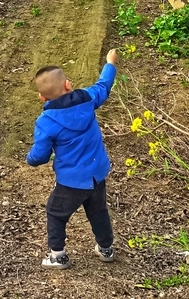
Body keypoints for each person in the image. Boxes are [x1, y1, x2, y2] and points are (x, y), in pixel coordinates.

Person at [26, 49, 119, 269]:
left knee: (56, 213)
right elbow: (103, 85)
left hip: (71, 180)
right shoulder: (87, 98)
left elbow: (39, 156)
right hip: (97, 174)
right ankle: (106, 249)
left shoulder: (46, 121)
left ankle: (58, 256)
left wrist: (29, 159)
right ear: (68, 85)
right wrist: (110, 63)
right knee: (98, 211)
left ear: (42, 97)